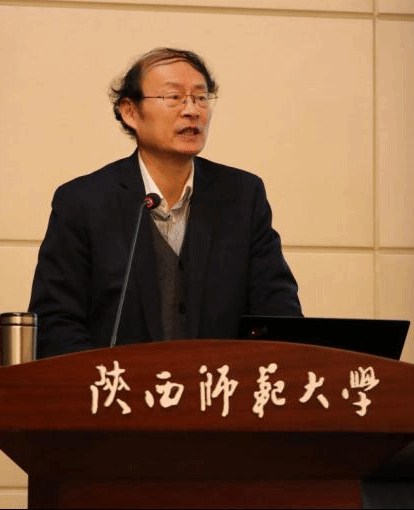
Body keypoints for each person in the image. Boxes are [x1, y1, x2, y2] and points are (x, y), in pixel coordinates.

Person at [28, 47, 302, 358]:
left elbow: (278, 314)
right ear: (130, 112)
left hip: (220, 384)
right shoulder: (83, 202)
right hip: (117, 386)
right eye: (174, 97)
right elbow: (56, 322)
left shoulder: (242, 196)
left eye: (201, 97)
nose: (192, 110)